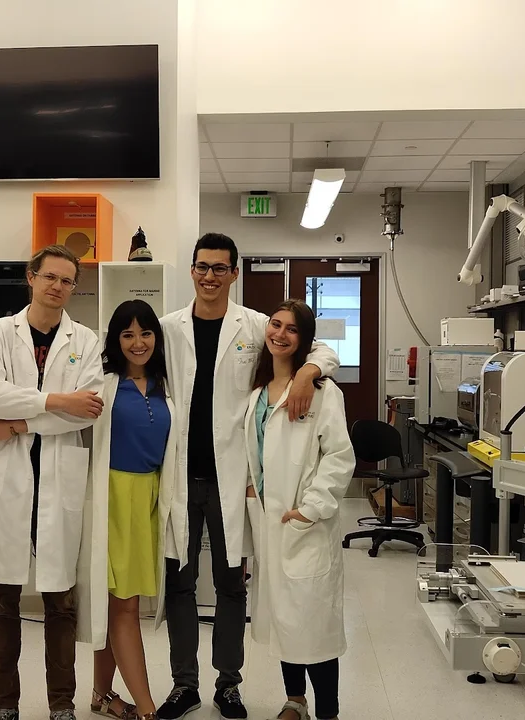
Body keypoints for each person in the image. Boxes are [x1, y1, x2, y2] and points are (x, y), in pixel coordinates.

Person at [157, 234, 340, 720]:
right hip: (181, 478)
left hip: (233, 481)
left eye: (220, 268)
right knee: (180, 583)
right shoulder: (169, 327)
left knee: (231, 584)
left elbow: (319, 347)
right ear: (192, 270)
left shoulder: (256, 325)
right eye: (202, 266)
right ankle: (184, 685)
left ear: (234, 274)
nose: (210, 276)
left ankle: (228, 685)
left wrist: (307, 374)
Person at [0, 245, 105, 720]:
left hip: (58, 479)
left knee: (60, 602)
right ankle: (4, 704)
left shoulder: (86, 340)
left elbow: (88, 409)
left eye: (67, 280)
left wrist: (19, 423)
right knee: (2, 602)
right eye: (50, 277)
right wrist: (57, 401)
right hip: (8, 481)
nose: (57, 286)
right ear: (31, 277)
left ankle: (61, 705)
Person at [244, 299, 355, 720]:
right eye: (276, 325)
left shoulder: (323, 392)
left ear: (305, 339)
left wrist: (311, 509)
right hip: (268, 522)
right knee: (283, 623)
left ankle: (328, 712)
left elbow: (339, 457)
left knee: (314, 627)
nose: (280, 334)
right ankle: (295, 701)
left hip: (305, 524)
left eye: (292, 329)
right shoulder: (257, 392)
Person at [77, 300, 176, 720]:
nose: (138, 343)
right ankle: (149, 709)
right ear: (115, 340)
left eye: (146, 333)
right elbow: (57, 413)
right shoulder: (102, 383)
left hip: (149, 498)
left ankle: (101, 695)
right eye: (128, 334)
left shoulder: (166, 383)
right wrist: (13, 425)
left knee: (117, 602)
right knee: (125, 605)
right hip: (112, 499)